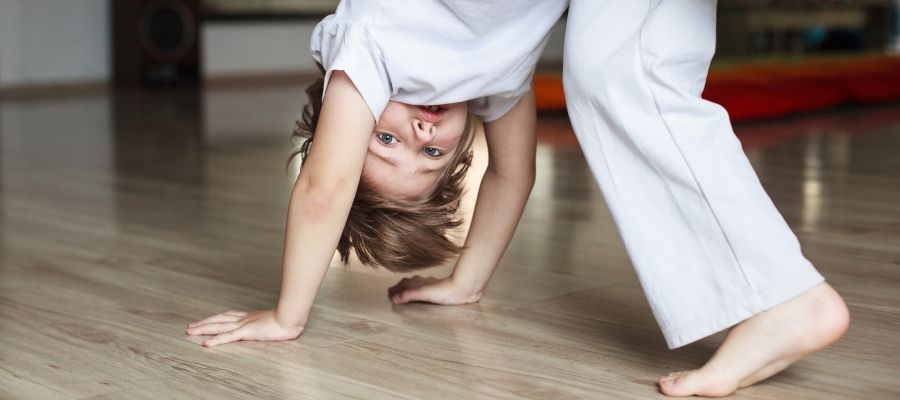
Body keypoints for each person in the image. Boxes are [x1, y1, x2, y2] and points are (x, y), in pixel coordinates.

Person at [186, 1, 850, 396]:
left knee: (618, 77)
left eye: (382, 137)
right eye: (430, 154)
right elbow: (512, 173)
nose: (419, 132)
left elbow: (324, 188)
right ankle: (784, 301)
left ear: (344, 118)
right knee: (616, 78)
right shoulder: (490, 82)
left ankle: (782, 299)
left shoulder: (368, 45)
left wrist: (287, 315)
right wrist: (466, 281)